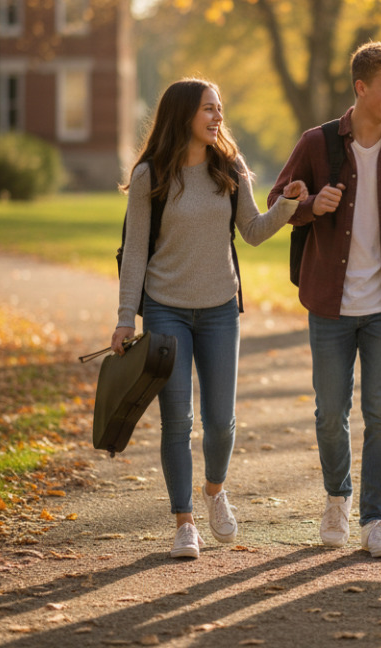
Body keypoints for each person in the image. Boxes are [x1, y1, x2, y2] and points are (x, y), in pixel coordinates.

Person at [112, 78, 307, 560]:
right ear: (183, 115)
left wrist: (288, 205)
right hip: (165, 308)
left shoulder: (229, 166)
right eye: (208, 109)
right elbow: (135, 252)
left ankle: (215, 491)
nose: (217, 117)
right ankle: (184, 522)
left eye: (220, 108)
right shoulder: (149, 176)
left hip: (221, 308)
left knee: (221, 421)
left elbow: (253, 231)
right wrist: (123, 319)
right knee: (177, 420)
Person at [267, 42, 381, 559]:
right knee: (329, 413)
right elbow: (279, 203)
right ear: (361, 87)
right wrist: (310, 205)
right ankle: (337, 500)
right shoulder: (318, 144)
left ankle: (376, 518)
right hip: (330, 304)